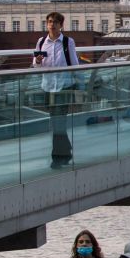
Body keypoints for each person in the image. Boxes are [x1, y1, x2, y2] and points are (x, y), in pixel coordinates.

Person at [33, 11, 80, 169]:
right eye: (50, 22)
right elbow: (35, 65)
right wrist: (38, 61)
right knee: (57, 123)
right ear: (46, 24)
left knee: (58, 122)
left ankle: (58, 157)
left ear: (61, 25)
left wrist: (80, 83)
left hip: (63, 87)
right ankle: (65, 152)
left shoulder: (67, 42)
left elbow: (74, 63)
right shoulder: (41, 42)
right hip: (47, 87)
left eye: (55, 22)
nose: (52, 25)